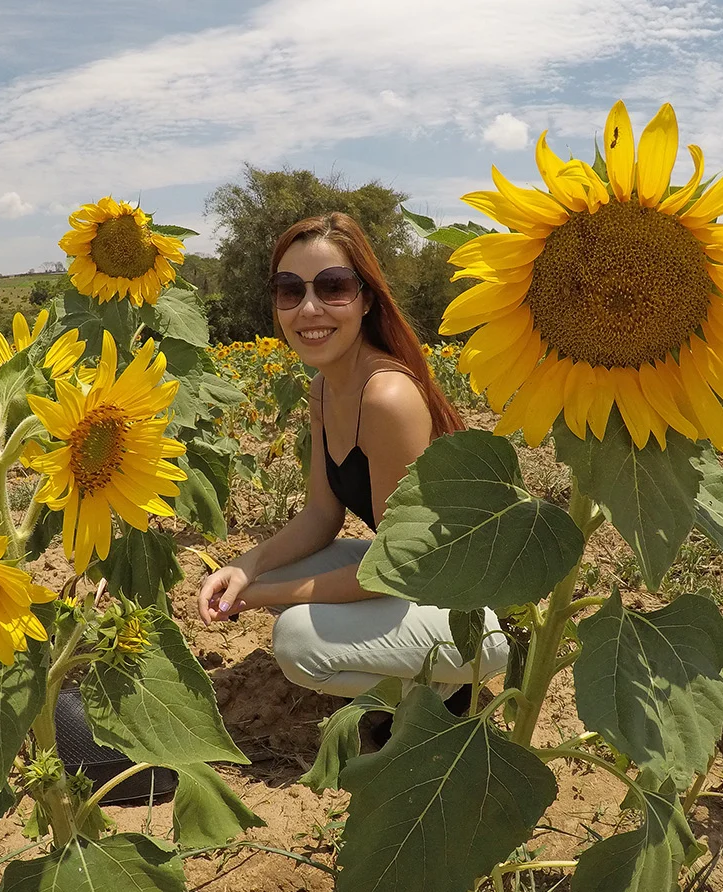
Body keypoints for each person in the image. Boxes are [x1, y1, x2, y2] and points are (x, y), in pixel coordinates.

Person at [197, 212, 509, 702]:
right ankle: (414, 678)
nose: (309, 308)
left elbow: (394, 571)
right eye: (289, 291)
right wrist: (247, 566)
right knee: (271, 572)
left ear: (365, 300)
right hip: (417, 578)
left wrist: (258, 596)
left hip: (467, 611)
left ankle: (443, 695)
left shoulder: (386, 397)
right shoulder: (323, 389)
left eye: (334, 286)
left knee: (298, 640)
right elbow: (322, 514)